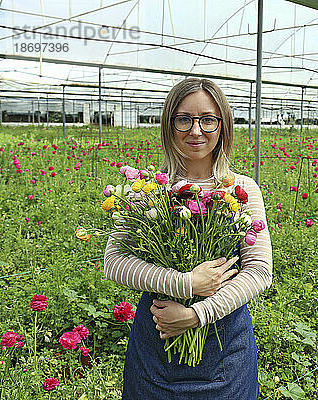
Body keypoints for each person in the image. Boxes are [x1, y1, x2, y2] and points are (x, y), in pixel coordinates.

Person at [103, 77, 273, 399]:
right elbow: (114, 262)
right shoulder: (149, 188)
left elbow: (259, 271)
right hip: (158, 336)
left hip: (225, 344)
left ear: (223, 125)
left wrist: (196, 314)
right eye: (184, 119)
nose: (196, 131)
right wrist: (186, 285)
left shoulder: (241, 189)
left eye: (208, 119)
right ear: (169, 125)